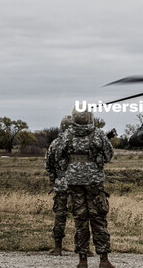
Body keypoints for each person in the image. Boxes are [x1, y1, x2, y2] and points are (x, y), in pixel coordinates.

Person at [56, 109, 115, 268]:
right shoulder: (98, 134)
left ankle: (82, 260)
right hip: (94, 182)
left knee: (80, 220)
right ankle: (103, 259)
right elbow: (109, 155)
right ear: (90, 117)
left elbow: (59, 157)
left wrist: (71, 167)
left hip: (74, 183)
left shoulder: (66, 135)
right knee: (98, 219)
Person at [45, 115, 73, 256]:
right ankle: (84, 248)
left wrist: (54, 180)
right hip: (78, 184)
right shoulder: (79, 143)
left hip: (61, 185)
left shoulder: (54, 144)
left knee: (60, 215)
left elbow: (48, 165)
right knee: (81, 216)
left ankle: (58, 247)